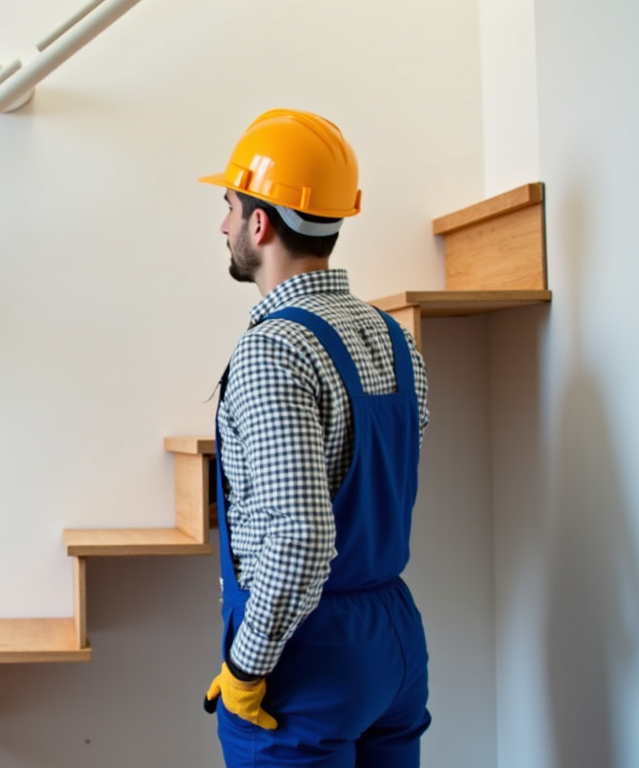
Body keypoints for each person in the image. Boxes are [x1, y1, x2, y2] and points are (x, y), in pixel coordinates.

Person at [199, 109, 433, 767]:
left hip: (309, 659)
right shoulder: (395, 338)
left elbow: (302, 535)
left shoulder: (273, 351)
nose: (223, 225)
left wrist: (245, 668)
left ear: (261, 223)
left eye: (229, 205)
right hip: (394, 643)